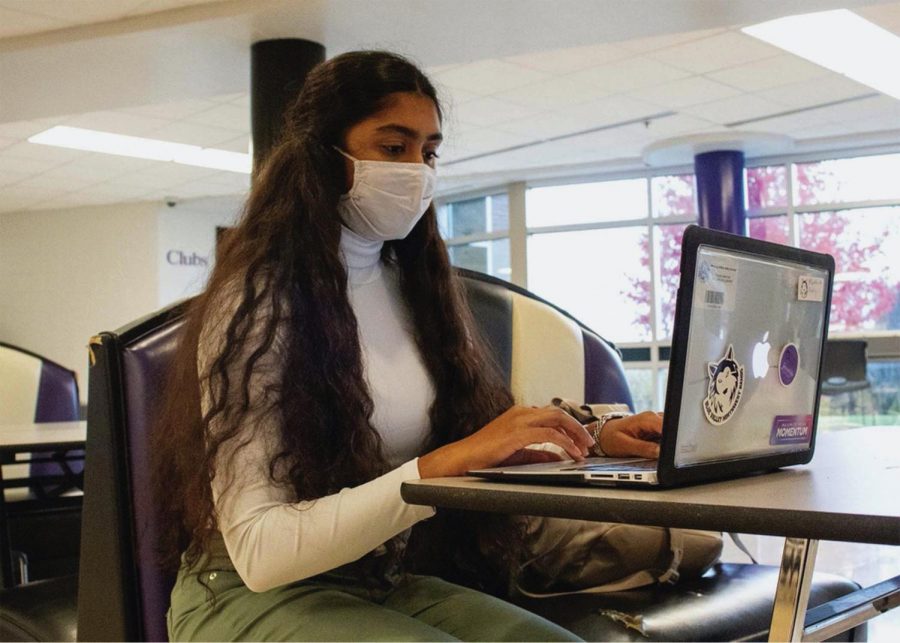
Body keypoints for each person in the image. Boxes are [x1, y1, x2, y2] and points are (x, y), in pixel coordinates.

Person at [151, 50, 663, 642]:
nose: (416, 170)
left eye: (429, 151)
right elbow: (261, 553)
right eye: (393, 148)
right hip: (241, 594)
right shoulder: (257, 304)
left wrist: (592, 441)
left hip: (372, 578)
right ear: (322, 156)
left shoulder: (414, 288)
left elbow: (476, 432)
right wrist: (441, 467)